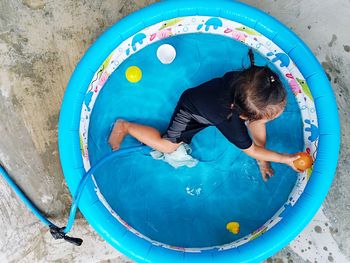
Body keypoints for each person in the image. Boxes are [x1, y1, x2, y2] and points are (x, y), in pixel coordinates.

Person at [108, 50, 301, 181]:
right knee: (167, 146)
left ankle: (262, 149)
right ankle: (125, 126)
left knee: (257, 124)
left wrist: (264, 158)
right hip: (191, 110)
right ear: (242, 116)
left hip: (214, 100)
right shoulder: (229, 120)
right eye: (268, 117)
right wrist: (285, 158)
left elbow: (255, 123)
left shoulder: (249, 82)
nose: (270, 119)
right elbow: (250, 149)